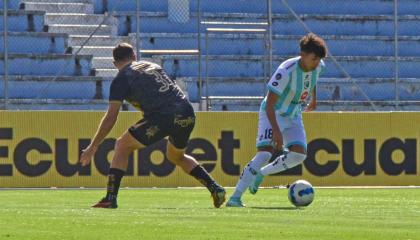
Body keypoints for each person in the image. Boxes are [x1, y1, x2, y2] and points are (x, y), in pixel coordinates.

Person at [80, 43, 226, 208]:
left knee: (122, 145)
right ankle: (215, 188)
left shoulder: (121, 79)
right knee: (176, 156)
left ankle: (110, 198)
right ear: (134, 56)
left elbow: (111, 117)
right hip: (187, 113)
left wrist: (93, 146)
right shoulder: (153, 65)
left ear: (115, 64)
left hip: (162, 116)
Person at [226, 33, 327, 207]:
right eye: (314, 59)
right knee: (265, 153)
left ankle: (262, 173)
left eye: (319, 60)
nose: (317, 63)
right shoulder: (285, 71)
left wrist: (313, 98)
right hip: (273, 113)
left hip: (294, 113)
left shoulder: (318, 66)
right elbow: (270, 104)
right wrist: (277, 131)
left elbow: (313, 79)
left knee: (298, 155)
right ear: (302, 55)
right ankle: (235, 197)